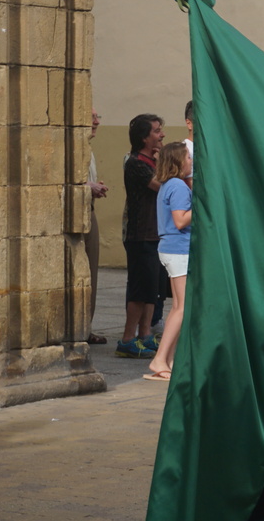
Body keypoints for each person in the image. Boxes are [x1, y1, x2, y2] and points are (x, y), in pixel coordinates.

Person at [119, 113, 167, 360]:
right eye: (157, 131)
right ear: (143, 137)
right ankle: (128, 339)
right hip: (140, 235)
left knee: (153, 288)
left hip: (155, 234)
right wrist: (166, 163)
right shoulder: (136, 163)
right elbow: (162, 186)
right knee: (139, 288)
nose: (162, 135)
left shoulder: (152, 161)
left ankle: (145, 334)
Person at [145, 142, 192, 382]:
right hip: (179, 250)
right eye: (188, 157)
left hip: (171, 249)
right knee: (182, 308)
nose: (191, 161)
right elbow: (180, 220)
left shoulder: (168, 185)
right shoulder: (178, 186)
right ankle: (160, 358)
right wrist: (203, 203)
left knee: (178, 307)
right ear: (178, 162)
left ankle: (170, 360)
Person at [84, 109, 108, 345]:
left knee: (91, 273)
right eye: (92, 117)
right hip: (78, 212)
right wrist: (88, 187)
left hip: (88, 210)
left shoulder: (88, 150)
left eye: (97, 117)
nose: (97, 122)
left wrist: (93, 187)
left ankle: (85, 327)